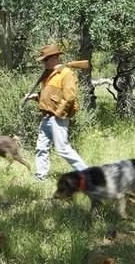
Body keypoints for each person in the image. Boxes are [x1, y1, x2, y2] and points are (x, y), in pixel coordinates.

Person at [24, 43, 88, 181]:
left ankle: (87, 174)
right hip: (46, 117)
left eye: (46, 59)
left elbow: (69, 97)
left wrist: (58, 114)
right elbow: (50, 95)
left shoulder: (66, 73)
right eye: (43, 60)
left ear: (56, 57)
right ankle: (40, 176)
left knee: (62, 149)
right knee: (41, 148)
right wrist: (36, 97)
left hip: (57, 117)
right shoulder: (49, 74)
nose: (43, 63)